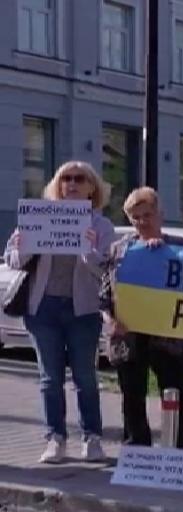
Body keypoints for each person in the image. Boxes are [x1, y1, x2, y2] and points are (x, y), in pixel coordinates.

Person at [4, 161, 115, 464]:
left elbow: (105, 269)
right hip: (44, 308)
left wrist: (88, 249)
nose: (73, 184)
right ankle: (55, 439)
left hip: (83, 310)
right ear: (58, 185)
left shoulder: (102, 226)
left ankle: (91, 438)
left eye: (80, 179)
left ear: (92, 188)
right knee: (50, 378)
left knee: (85, 377)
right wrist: (24, 246)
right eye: (66, 178)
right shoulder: (38, 216)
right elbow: (13, 260)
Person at [99, 188, 183, 450]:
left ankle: (182, 449)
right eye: (136, 217)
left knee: (176, 391)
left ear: (160, 214)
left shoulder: (180, 247)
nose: (143, 222)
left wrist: (163, 254)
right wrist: (110, 319)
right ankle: (136, 448)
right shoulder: (119, 249)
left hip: (167, 334)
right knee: (132, 393)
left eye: (147, 215)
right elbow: (104, 292)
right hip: (127, 335)